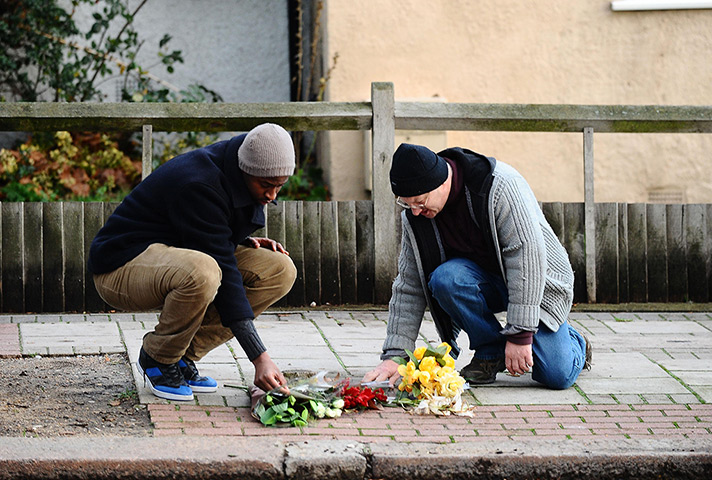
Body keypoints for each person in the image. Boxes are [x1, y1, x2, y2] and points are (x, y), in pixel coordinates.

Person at [88, 123, 297, 401]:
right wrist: (259, 358)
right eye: (266, 186)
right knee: (205, 272)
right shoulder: (200, 181)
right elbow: (225, 274)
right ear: (246, 170)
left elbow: (203, 229)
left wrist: (237, 240)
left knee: (278, 269)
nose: (272, 196)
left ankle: (181, 356)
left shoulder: (238, 166)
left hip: (171, 252)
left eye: (279, 186)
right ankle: (158, 358)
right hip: (120, 267)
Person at [363, 143, 591, 390]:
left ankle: (576, 342)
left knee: (557, 375)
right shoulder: (417, 217)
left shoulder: (499, 185)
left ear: (441, 183)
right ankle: (490, 351)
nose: (415, 212)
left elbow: (526, 255)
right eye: (408, 205)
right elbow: (409, 285)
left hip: (537, 282)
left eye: (420, 202)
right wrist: (395, 356)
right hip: (486, 282)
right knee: (446, 278)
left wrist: (520, 335)